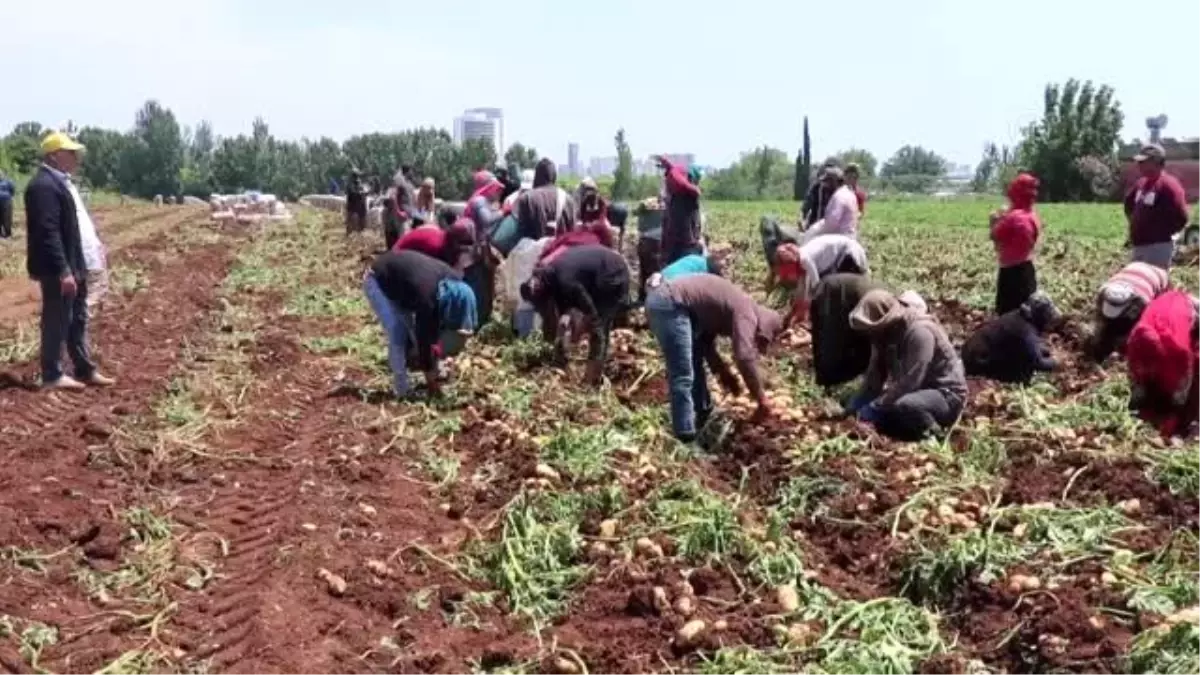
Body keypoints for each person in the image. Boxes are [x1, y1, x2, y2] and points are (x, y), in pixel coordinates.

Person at [25, 132, 115, 390]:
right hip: (58, 268)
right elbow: (48, 232)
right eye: (71, 152)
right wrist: (64, 271)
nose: (76, 157)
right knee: (57, 318)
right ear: (54, 155)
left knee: (78, 317)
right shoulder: (43, 186)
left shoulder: (63, 184)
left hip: (75, 263)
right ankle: (52, 374)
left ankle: (85, 369)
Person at [646, 273, 783, 440]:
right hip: (670, 303)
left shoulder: (732, 307)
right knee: (682, 373)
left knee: (694, 359)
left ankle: (702, 414)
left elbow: (705, 345)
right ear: (763, 327)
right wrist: (762, 399)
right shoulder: (747, 312)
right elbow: (744, 356)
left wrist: (723, 373)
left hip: (669, 301)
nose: (757, 342)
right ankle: (685, 436)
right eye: (760, 339)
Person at [845, 290, 967, 441]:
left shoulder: (920, 332)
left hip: (945, 395)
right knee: (889, 414)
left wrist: (875, 406)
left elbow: (912, 380)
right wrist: (855, 407)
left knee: (906, 405)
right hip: (917, 392)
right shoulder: (883, 337)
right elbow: (874, 377)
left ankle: (935, 435)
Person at [363, 249, 477, 397]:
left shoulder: (454, 284)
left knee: (414, 330)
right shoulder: (428, 298)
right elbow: (425, 338)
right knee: (398, 332)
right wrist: (432, 383)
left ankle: (417, 366)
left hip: (404, 283)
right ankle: (402, 389)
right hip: (377, 280)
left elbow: (436, 327)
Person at [520, 244, 630, 384]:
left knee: (599, 326)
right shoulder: (549, 277)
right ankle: (561, 362)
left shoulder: (567, 282)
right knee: (570, 321)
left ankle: (592, 378)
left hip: (613, 274)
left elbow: (592, 314)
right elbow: (559, 313)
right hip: (595, 276)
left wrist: (585, 326)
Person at [1125, 290, 1200, 437]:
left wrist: (1177, 401)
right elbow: (1183, 369)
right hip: (1166, 326)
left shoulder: (1178, 346)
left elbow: (1185, 369)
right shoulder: (1141, 339)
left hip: (1168, 323)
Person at [961, 292, 1061, 384]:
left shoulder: (1017, 316)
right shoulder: (1025, 332)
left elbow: (1031, 347)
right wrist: (1057, 362)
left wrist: (1045, 351)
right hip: (977, 364)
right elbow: (1038, 363)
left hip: (971, 352)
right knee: (1024, 372)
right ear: (1040, 316)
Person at [809, 273, 885, 390]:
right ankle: (827, 382)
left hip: (845, 292)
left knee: (839, 340)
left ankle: (833, 380)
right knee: (831, 340)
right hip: (835, 292)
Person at [1086, 262, 1171, 363]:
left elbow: (1142, 330)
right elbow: (1099, 321)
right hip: (1134, 268)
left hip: (1158, 276)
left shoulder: (1143, 303)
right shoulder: (1103, 292)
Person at [776, 234, 869, 325]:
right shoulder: (799, 262)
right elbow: (801, 290)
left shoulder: (804, 259)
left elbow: (816, 286)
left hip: (849, 254)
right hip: (838, 259)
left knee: (842, 294)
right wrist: (794, 310)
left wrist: (807, 310)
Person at [1125, 143, 1189, 270]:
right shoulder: (1141, 184)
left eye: (1143, 161)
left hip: (1158, 248)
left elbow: (1181, 216)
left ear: (1156, 162)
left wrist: (1161, 233)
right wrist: (1135, 224)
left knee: (1154, 284)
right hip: (1138, 245)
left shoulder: (1168, 185)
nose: (1139, 165)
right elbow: (1128, 205)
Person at [991, 172, 1042, 315]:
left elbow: (995, 235)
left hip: (1011, 273)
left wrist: (995, 220)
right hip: (1028, 269)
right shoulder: (1032, 216)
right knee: (1028, 313)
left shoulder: (1013, 218)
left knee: (1007, 314)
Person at [657, 155, 703, 266]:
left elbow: (678, 180)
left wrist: (670, 167)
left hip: (678, 249)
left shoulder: (682, 197)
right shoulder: (683, 197)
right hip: (681, 248)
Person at [515, 159, 576, 241]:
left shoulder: (526, 199)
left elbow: (521, 235)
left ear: (536, 177)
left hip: (535, 253)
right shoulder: (568, 199)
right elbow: (573, 232)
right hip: (562, 251)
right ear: (554, 177)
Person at [801, 167, 859, 243]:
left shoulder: (839, 197)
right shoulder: (849, 194)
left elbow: (831, 224)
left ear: (834, 182)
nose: (824, 185)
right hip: (850, 238)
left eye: (826, 182)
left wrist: (813, 232)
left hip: (840, 241)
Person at [801, 160, 840, 227]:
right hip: (815, 224)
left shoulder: (840, 191)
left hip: (833, 227)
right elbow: (807, 205)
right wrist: (803, 219)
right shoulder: (815, 188)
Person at [345, 170, 368, 234]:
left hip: (359, 204)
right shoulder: (350, 184)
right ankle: (350, 231)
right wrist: (360, 193)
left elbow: (365, 191)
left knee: (361, 218)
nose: (357, 178)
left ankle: (359, 230)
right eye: (356, 176)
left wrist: (363, 192)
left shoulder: (360, 184)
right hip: (352, 204)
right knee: (350, 219)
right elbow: (352, 192)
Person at [0, 170, 15, 239]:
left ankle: (8, 234)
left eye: (0, 174)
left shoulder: (8, 182)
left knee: (7, 218)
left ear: (3, 174)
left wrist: (10, 198)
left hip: (6, 202)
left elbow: (12, 191)